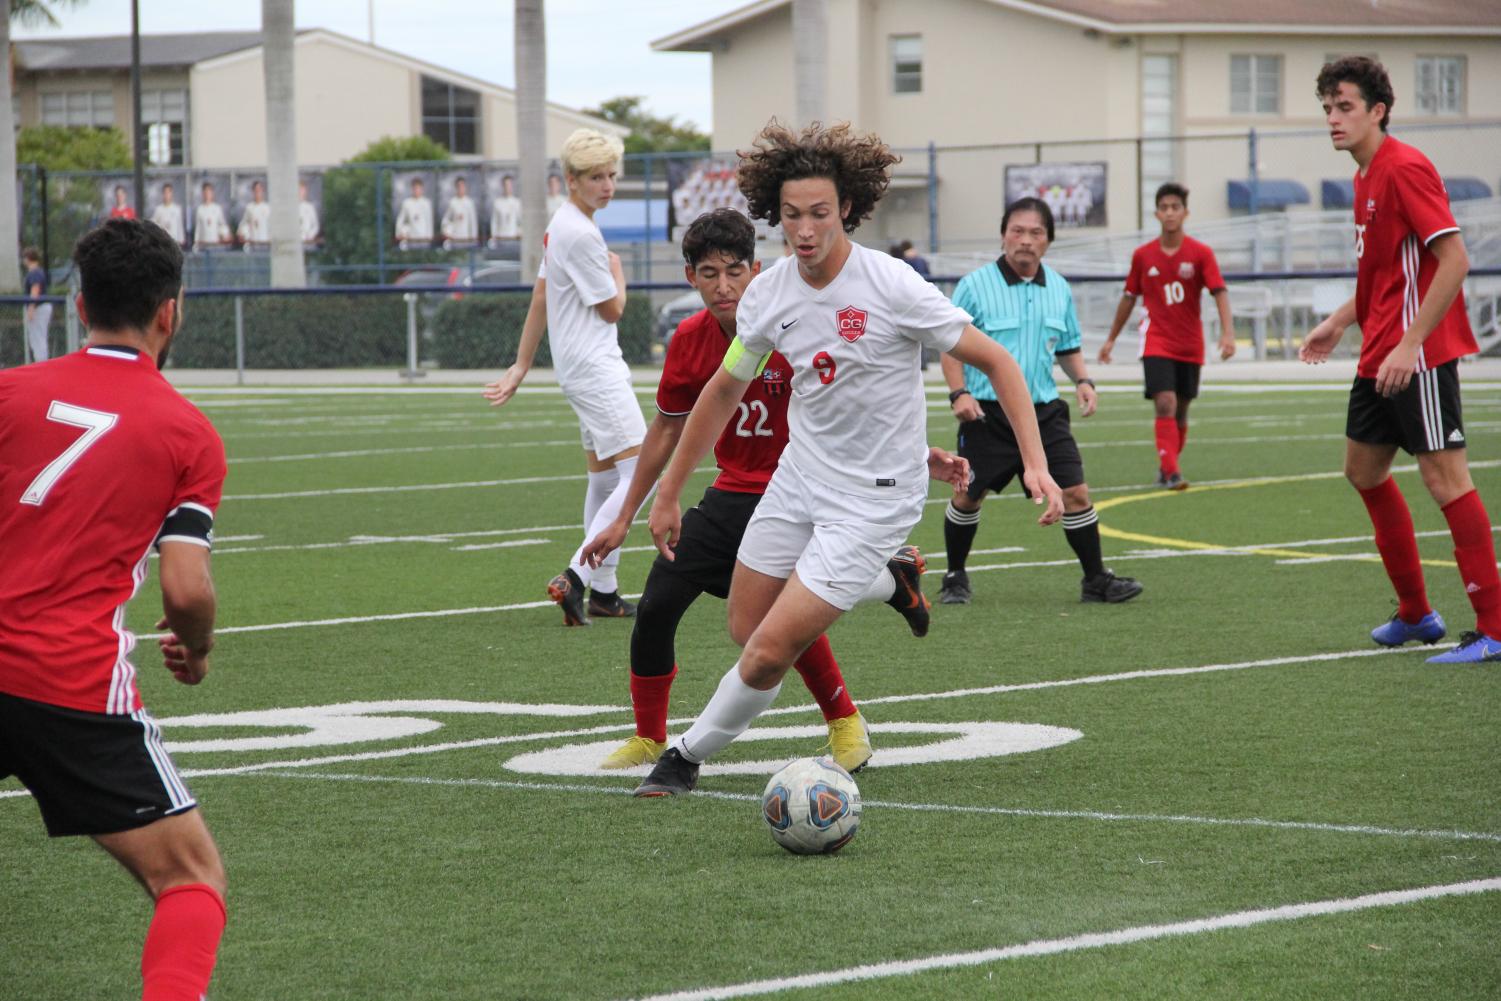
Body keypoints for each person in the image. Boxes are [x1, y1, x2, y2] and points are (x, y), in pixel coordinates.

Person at [624, 121, 1063, 797]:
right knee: (746, 625)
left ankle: (683, 756)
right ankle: (892, 582)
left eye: (819, 214)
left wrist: (1034, 462)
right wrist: (666, 492)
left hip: (875, 496)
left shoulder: (891, 285)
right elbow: (722, 390)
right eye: (792, 215)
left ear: (847, 210)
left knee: (769, 650)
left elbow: (998, 362)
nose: (804, 230)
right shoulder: (768, 294)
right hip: (800, 479)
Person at [580, 208, 932, 774]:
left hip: (806, 491)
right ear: (689, 276)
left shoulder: (794, 321)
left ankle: (845, 723)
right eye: (710, 273)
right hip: (731, 495)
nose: (724, 286)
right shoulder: (691, 342)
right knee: (658, 604)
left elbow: (859, 401)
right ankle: (649, 737)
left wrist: (918, 454)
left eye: (736, 271)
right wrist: (626, 515)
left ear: (757, 270)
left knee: (780, 621)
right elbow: (668, 427)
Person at [0, 219, 229, 1000]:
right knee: (190, 874)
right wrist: (195, 649)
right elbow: (186, 590)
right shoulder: (186, 430)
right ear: (171, 311)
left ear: (77, 300)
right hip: (68, 683)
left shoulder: (9, 391)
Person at [1303, 57, 1500, 664]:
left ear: (1378, 110)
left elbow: (1455, 261)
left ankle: (1495, 627)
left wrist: (1411, 344)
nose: (1333, 119)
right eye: (1328, 109)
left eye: (1345, 107)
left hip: (1420, 356)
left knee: (1446, 480)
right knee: (1363, 471)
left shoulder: (1405, 166)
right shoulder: (1364, 177)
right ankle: (1416, 613)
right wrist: (1339, 323)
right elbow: (1382, 277)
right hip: (1379, 354)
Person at [938, 196, 1143, 607]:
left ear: (1048, 241)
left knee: (1077, 494)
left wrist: (1083, 379)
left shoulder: (1060, 289)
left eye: (1036, 233)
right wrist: (958, 393)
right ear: (1003, 236)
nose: (1025, 241)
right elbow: (948, 345)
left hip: (1046, 413)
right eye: (1017, 231)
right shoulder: (975, 286)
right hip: (986, 413)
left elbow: (1067, 346)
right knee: (968, 495)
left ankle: (1095, 580)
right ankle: (955, 576)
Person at [483, 128, 643, 625]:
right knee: (642, 472)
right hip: (596, 369)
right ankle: (576, 576)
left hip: (576, 370)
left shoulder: (561, 224)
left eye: (612, 175)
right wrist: (620, 275)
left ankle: (605, 591)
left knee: (602, 477)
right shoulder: (582, 234)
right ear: (571, 180)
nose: (607, 185)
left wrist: (522, 364)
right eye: (596, 177)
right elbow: (613, 310)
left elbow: (540, 297)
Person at [1098, 182, 1235, 489]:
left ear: (1185, 213)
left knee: (1182, 410)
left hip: (1190, 343)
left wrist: (1228, 334)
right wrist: (1111, 340)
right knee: (1165, 403)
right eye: (1164, 207)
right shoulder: (1143, 256)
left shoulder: (1200, 253)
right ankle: (1172, 472)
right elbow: (1129, 297)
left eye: (1176, 207)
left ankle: (1167, 464)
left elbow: (1219, 292)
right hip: (1156, 340)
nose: (1170, 213)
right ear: (1156, 213)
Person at [21, 247, 50, 363]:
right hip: (40, 307)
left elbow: (35, 289)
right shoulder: (37, 271)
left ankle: (41, 363)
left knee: (38, 337)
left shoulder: (34, 272)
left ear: (28, 258)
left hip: (39, 308)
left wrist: (31, 308)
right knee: (37, 337)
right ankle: (41, 362)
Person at [395, 178, 434, 248]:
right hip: (411, 237)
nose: (417, 190)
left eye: (419, 188)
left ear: (422, 189)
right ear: (412, 189)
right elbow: (400, 220)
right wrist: (400, 234)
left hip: (423, 237)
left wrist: (429, 236)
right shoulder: (406, 203)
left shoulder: (426, 203)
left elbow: (429, 220)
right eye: (415, 188)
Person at [441, 176, 479, 246]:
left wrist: (473, 238)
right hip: (455, 239)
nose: (461, 188)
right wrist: (448, 233)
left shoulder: (469, 203)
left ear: (465, 187)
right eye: (459, 186)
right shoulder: (452, 202)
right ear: (456, 188)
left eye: (462, 186)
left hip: (466, 239)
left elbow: (473, 223)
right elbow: (446, 220)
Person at [192, 183, 230, 250]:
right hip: (203, 245)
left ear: (212, 193)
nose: (207, 194)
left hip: (215, 245)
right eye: (205, 192)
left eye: (209, 192)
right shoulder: (200, 209)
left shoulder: (217, 208)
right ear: (203, 194)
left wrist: (225, 234)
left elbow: (222, 224)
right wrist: (196, 243)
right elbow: (198, 228)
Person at [236, 180, 271, 246]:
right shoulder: (249, 207)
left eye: (259, 190)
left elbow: (272, 226)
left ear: (262, 191)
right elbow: (243, 224)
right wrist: (241, 233)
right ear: (253, 192)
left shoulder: (268, 208)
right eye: (255, 190)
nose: (257, 192)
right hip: (253, 244)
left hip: (266, 243)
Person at [489, 174, 521, 244]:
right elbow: (494, 222)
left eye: (509, 185)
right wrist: (494, 237)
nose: (507, 187)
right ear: (502, 186)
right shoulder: (497, 203)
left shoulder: (517, 203)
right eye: (506, 185)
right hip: (501, 239)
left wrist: (519, 234)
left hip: (513, 239)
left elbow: (520, 222)